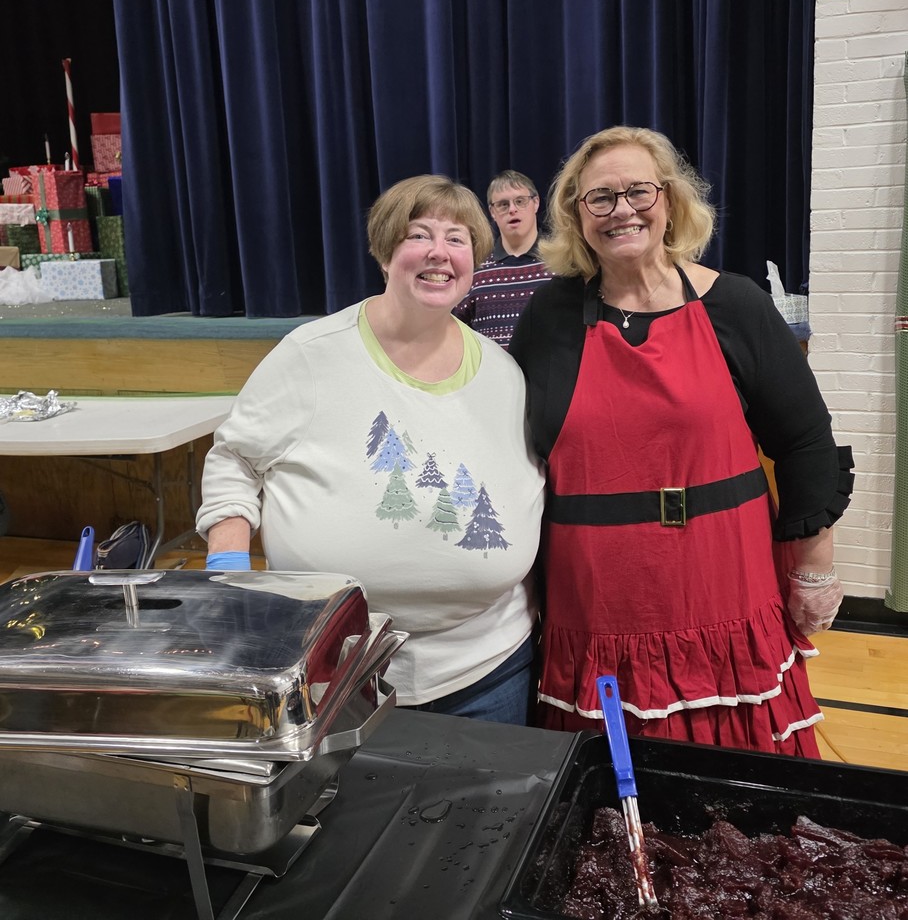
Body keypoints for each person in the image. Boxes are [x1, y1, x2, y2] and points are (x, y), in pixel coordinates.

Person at [509, 126, 854, 757]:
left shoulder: (737, 304)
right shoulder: (548, 316)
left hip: (725, 585)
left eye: (638, 190)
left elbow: (805, 442)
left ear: (670, 200)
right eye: (600, 198)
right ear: (576, 217)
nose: (622, 210)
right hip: (598, 603)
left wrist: (813, 571)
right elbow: (522, 455)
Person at [196, 175, 545, 725]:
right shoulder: (311, 355)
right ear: (385, 252)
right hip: (333, 669)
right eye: (418, 235)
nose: (439, 252)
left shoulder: (503, 373)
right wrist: (230, 574)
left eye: (457, 239)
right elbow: (235, 459)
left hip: (490, 668)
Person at [453, 170, 553, 349]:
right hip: (494, 375)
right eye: (503, 204)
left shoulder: (561, 263)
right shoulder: (475, 272)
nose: (512, 209)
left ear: (536, 203)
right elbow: (457, 333)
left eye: (520, 201)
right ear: (492, 211)